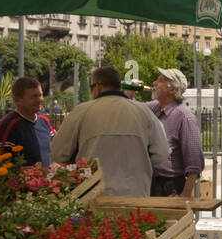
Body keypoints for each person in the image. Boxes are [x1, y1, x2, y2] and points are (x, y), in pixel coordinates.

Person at [51, 65, 169, 196]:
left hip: (92, 196)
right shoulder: (144, 112)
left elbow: (58, 153)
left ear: (98, 87)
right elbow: (162, 154)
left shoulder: (81, 112)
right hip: (135, 195)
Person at [145, 68, 204, 198]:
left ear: (173, 89)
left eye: (160, 81)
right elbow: (132, 109)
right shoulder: (155, 107)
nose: (154, 83)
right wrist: (129, 93)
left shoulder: (184, 116)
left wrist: (186, 193)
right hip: (150, 182)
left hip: (170, 186)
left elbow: (194, 160)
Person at [0, 77, 55, 166]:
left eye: (40, 95)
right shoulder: (7, 126)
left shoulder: (44, 121)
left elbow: (57, 147)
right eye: (33, 96)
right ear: (17, 100)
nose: (39, 99)